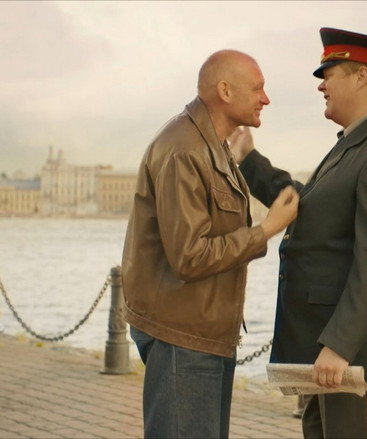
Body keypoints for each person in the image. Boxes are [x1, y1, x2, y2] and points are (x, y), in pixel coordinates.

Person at [230, 27, 367, 438]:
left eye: (329, 74)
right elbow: (310, 208)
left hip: (356, 355)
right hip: (332, 352)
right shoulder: (359, 142)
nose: (321, 85)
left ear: (360, 76)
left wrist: (340, 345)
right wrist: (249, 160)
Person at [121, 49, 299, 438]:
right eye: (258, 88)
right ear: (225, 91)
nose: (266, 98)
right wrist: (266, 230)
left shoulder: (210, 145)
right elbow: (190, 256)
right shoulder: (184, 149)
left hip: (202, 335)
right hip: (181, 337)